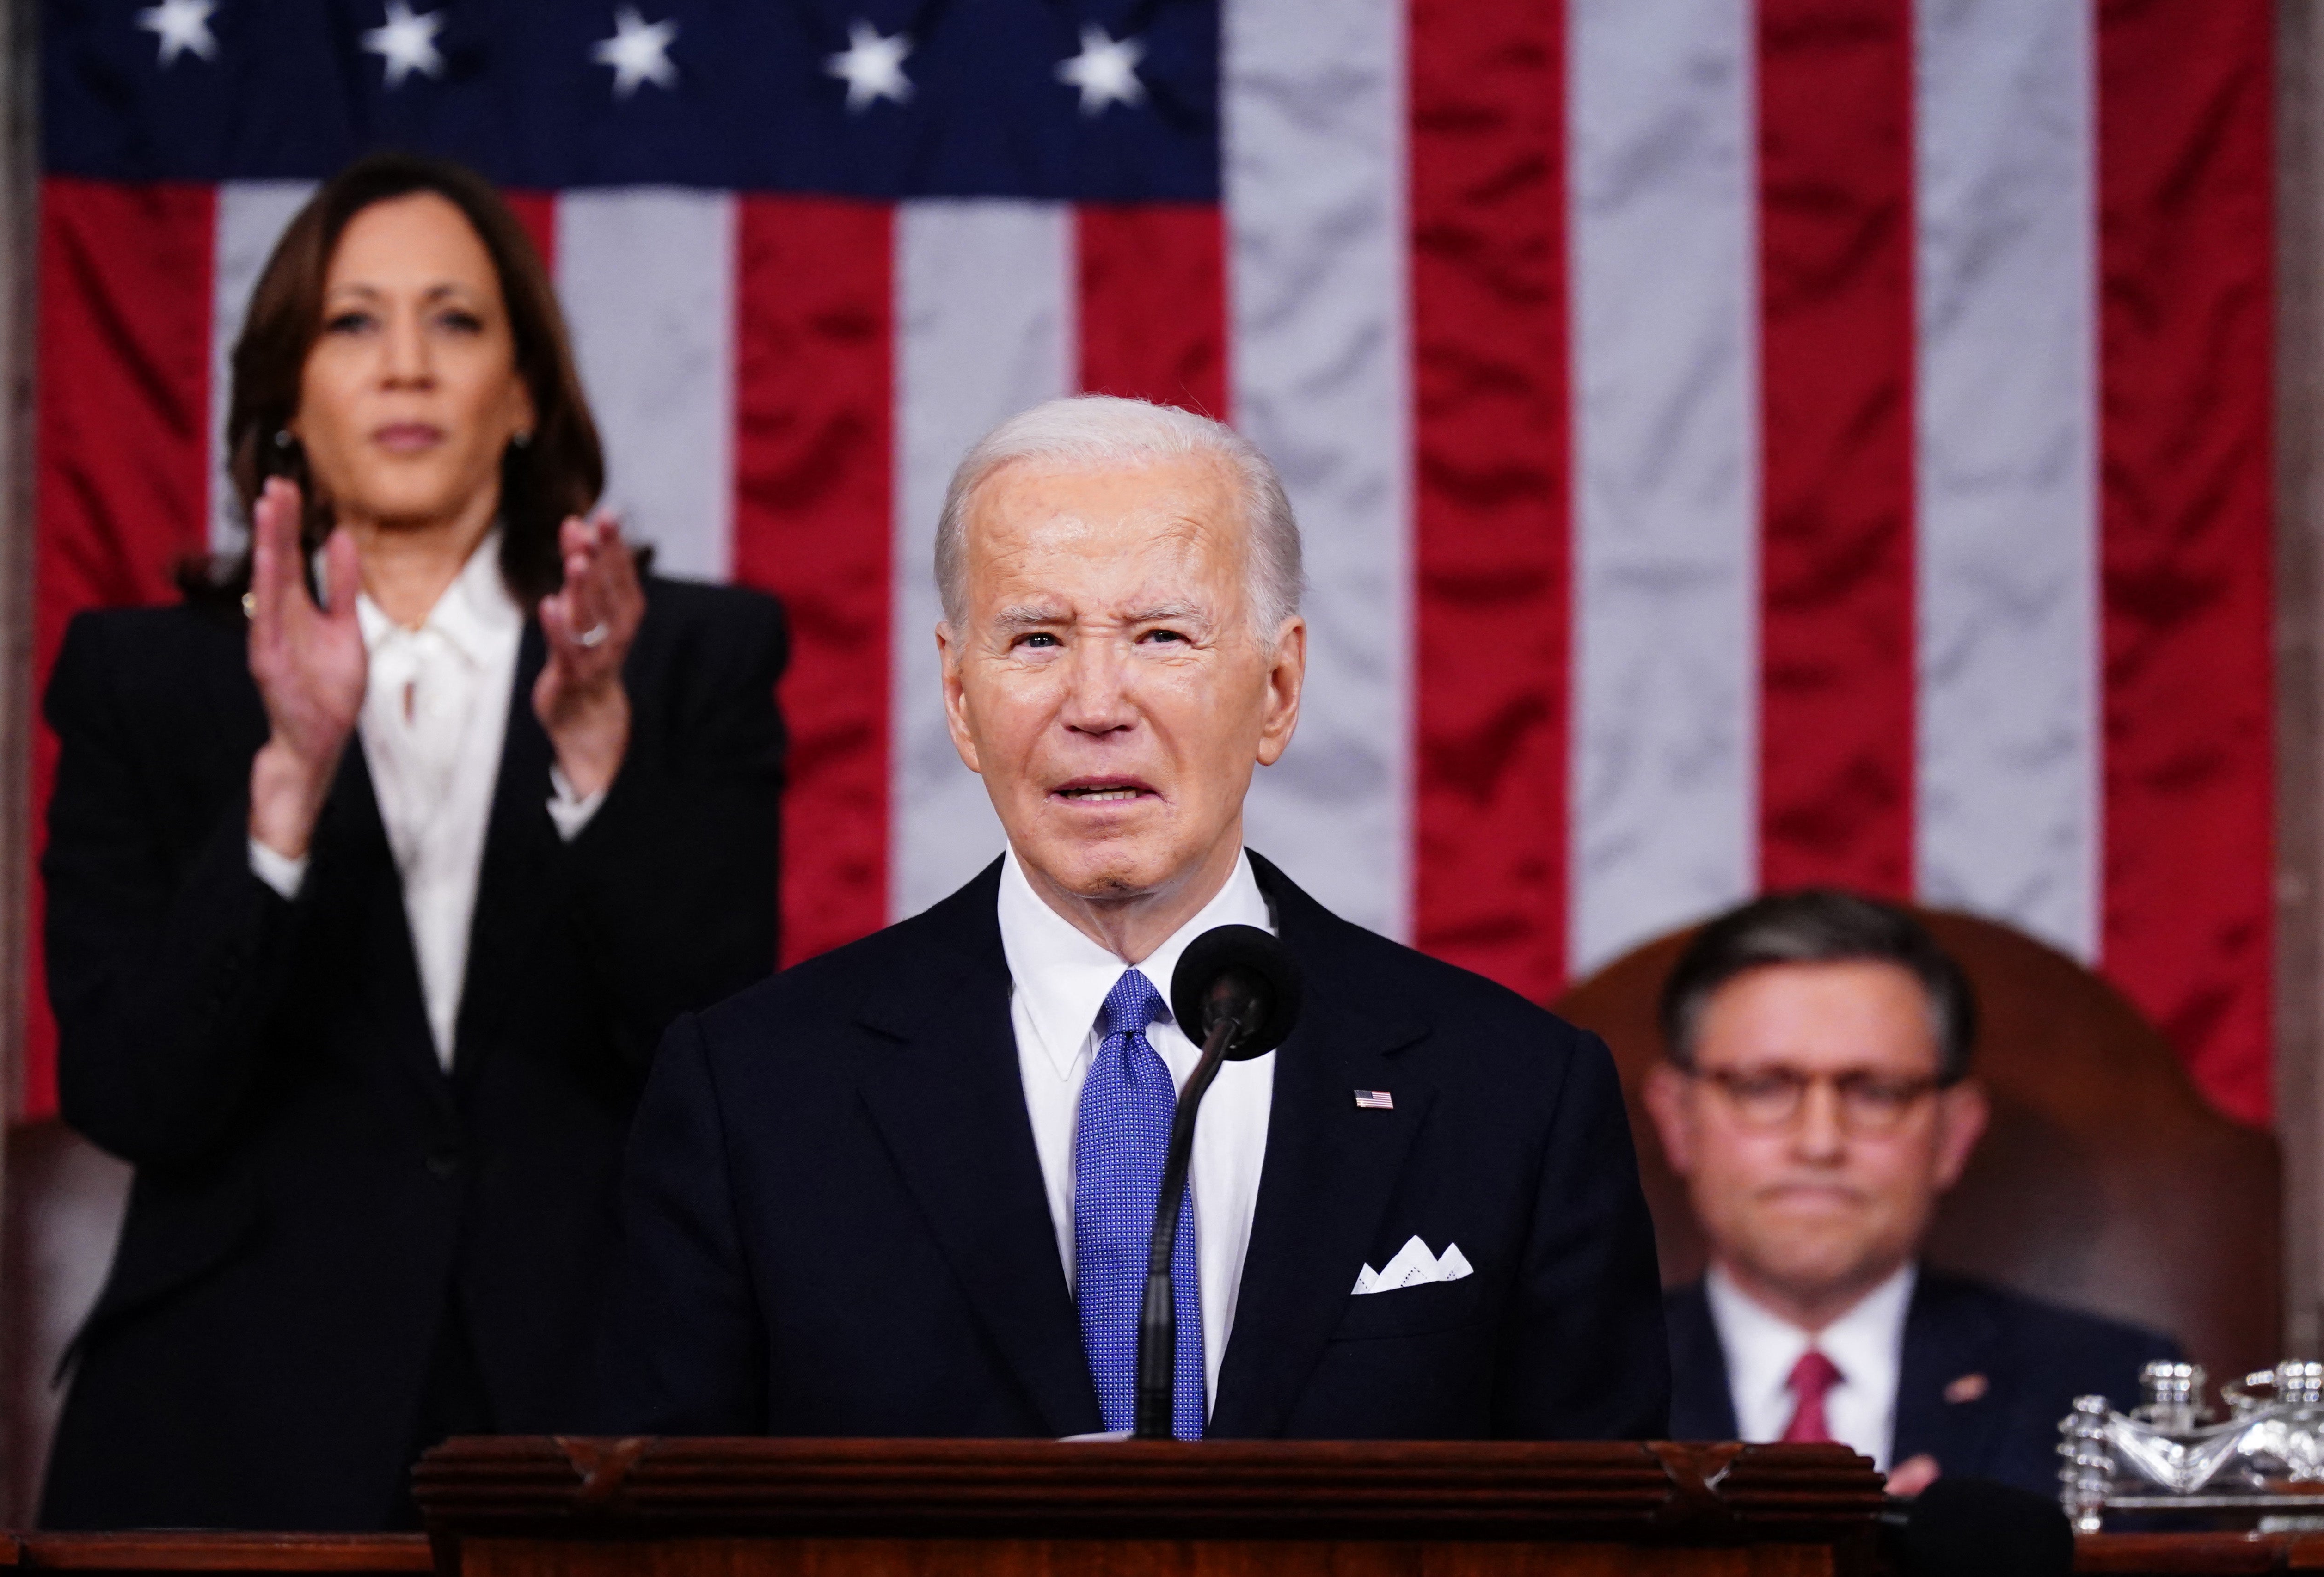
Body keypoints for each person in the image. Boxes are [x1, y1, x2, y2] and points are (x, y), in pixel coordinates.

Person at [601, 395, 1668, 1440]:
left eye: (1161, 636)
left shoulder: (1511, 1093)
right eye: (1036, 640)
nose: (1097, 705)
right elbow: (666, 1522)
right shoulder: (754, 1097)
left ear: (1278, 689)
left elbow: (1600, 1522)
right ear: (961, 700)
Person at [37, 153, 786, 1530]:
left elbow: (717, 1061)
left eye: (454, 319)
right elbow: (133, 1095)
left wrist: (595, 763)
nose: (405, 365)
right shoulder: (142, 679)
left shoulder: (689, 658)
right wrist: (285, 793)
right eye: (352, 322)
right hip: (225, 1424)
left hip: (589, 1414)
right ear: (286, 396)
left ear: (524, 391)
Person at [1644, 890, 2177, 1497]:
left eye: (1877, 1092)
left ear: (1954, 1133)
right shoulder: (1571, 1388)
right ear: (1678, 1119)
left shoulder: (2109, 1390)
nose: (1820, 1142)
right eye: (1763, 1086)